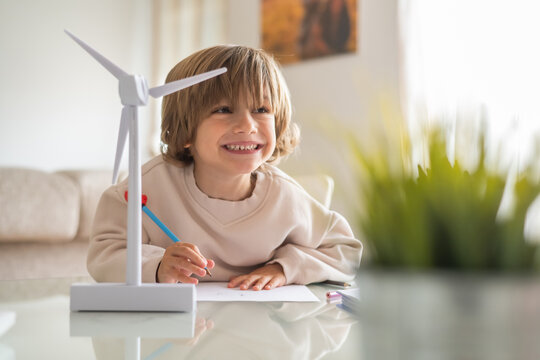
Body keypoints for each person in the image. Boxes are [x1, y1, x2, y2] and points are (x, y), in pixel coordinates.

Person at [88, 45, 362, 290]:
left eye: (261, 109)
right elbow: (105, 252)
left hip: (257, 331)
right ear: (185, 132)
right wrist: (157, 266)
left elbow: (345, 251)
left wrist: (284, 268)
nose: (247, 125)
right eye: (223, 109)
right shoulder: (147, 188)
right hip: (178, 337)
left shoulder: (285, 197)